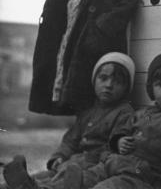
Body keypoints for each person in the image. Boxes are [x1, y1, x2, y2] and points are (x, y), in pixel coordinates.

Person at [68, 51, 161, 189]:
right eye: (159, 85)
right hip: (116, 164)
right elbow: (122, 131)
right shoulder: (142, 113)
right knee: (86, 177)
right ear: (151, 90)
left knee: (108, 187)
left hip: (142, 176)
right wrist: (119, 141)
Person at [2, 52, 136, 189]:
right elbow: (71, 140)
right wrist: (59, 157)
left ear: (127, 88)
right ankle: (20, 183)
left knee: (63, 181)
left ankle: (34, 187)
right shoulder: (88, 111)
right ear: (94, 80)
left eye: (118, 82)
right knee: (47, 174)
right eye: (103, 78)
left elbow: (117, 143)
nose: (109, 85)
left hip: (93, 168)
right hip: (72, 163)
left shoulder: (124, 112)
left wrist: (116, 144)